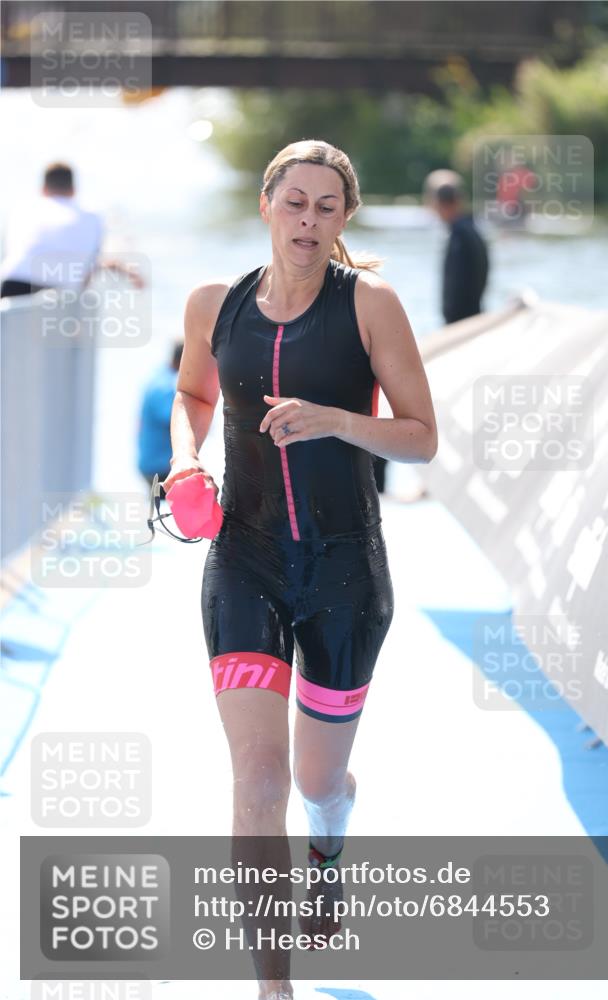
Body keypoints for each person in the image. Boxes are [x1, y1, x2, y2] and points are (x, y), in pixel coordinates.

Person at [164, 139, 437, 1000]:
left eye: (326, 207)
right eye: (295, 202)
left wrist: (334, 420)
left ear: (343, 218)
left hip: (345, 573)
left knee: (318, 780)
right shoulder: (214, 303)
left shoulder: (371, 307)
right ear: (266, 204)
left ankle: (329, 850)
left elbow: (421, 434)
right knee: (258, 777)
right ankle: (272, 985)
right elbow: (195, 395)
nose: (308, 221)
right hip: (242, 559)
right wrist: (183, 460)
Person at [0, 161, 144, 297]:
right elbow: (88, 267)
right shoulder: (92, 217)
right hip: (58, 294)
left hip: (11, 285)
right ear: (73, 190)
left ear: (43, 189)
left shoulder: (23, 211)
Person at [423, 168, 489, 325]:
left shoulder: (459, 236)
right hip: (473, 319)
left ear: (438, 203)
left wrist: (452, 324)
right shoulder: (470, 228)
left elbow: (457, 289)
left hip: (462, 324)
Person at [137, 342, 184, 491]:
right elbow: (178, 421)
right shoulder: (164, 387)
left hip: (150, 463)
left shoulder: (160, 375)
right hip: (158, 467)